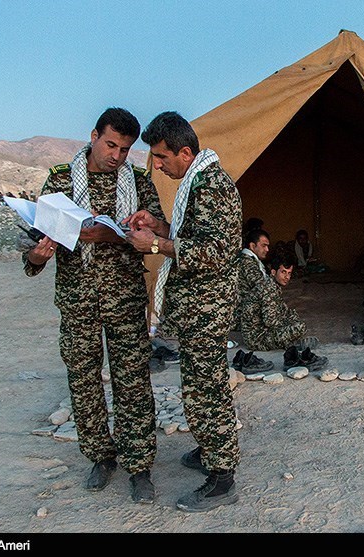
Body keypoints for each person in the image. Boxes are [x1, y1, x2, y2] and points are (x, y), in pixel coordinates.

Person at [21, 107, 159, 504]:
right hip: (77, 299)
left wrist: (111, 235)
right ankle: (100, 457)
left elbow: (155, 233)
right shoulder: (61, 180)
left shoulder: (138, 182)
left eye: (125, 149)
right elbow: (35, 241)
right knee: (83, 382)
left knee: (133, 382)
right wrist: (36, 257)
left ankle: (139, 465)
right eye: (111, 145)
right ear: (94, 136)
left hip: (125, 299)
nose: (116, 156)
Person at [125, 111, 241, 512]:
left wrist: (156, 246)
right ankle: (210, 449)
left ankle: (222, 477)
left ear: (185, 153)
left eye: (161, 157)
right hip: (197, 307)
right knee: (197, 385)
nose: (157, 165)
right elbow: (195, 234)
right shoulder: (196, 183)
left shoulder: (214, 187)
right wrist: (160, 226)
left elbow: (218, 251)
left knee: (207, 389)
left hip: (208, 308)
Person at [239, 253, 327, 371]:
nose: (287, 277)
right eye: (283, 272)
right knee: (299, 327)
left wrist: (290, 320)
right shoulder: (269, 289)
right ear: (273, 272)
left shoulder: (271, 285)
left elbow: (284, 311)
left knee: (294, 319)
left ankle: (292, 342)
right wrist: (289, 326)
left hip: (260, 331)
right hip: (257, 338)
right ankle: (293, 344)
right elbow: (270, 322)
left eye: (289, 273)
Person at [233, 228, 270, 331]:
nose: (267, 250)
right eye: (264, 246)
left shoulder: (252, 260)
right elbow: (263, 288)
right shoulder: (247, 263)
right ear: (252, 246)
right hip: (243, 317)